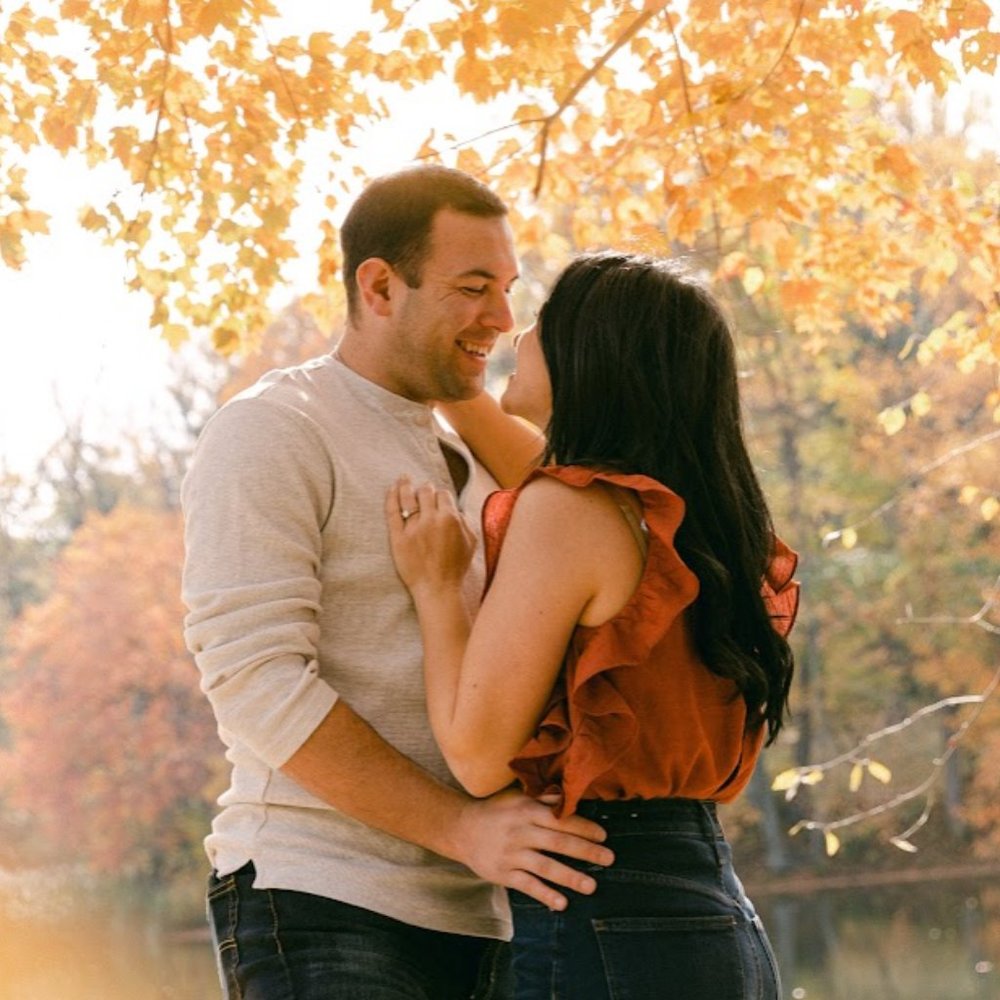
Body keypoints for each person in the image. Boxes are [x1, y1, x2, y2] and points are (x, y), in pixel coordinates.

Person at [180, 165, 613, 1000]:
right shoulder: (272, 429)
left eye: (508, 289)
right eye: (472, 288)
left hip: (491, 913)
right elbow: (254, 682)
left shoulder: (490, 456)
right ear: (378, 286)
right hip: (322, 898)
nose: (502, 318)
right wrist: (459, 827)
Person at [385, 250, 800, 999]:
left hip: (605, 902)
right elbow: (540, 464)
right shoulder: (691, 521)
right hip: (713, 909)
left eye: (542, 318)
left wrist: (437, 587)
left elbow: (478, 756)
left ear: (593, 354)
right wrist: (454, 383)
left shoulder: (569, 511)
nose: (518, 332)